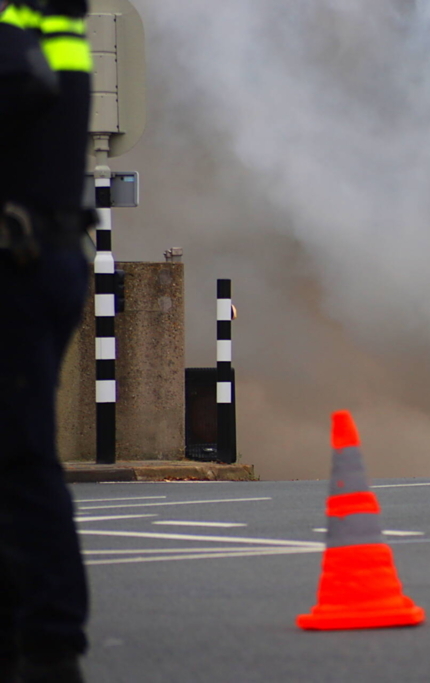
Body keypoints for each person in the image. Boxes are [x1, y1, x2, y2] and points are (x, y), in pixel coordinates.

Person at [0, 1, 94, 681]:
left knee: (20, 458)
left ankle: (49, 648)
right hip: (43, 252)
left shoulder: (20, 33)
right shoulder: (56, 31)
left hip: (22, 262)